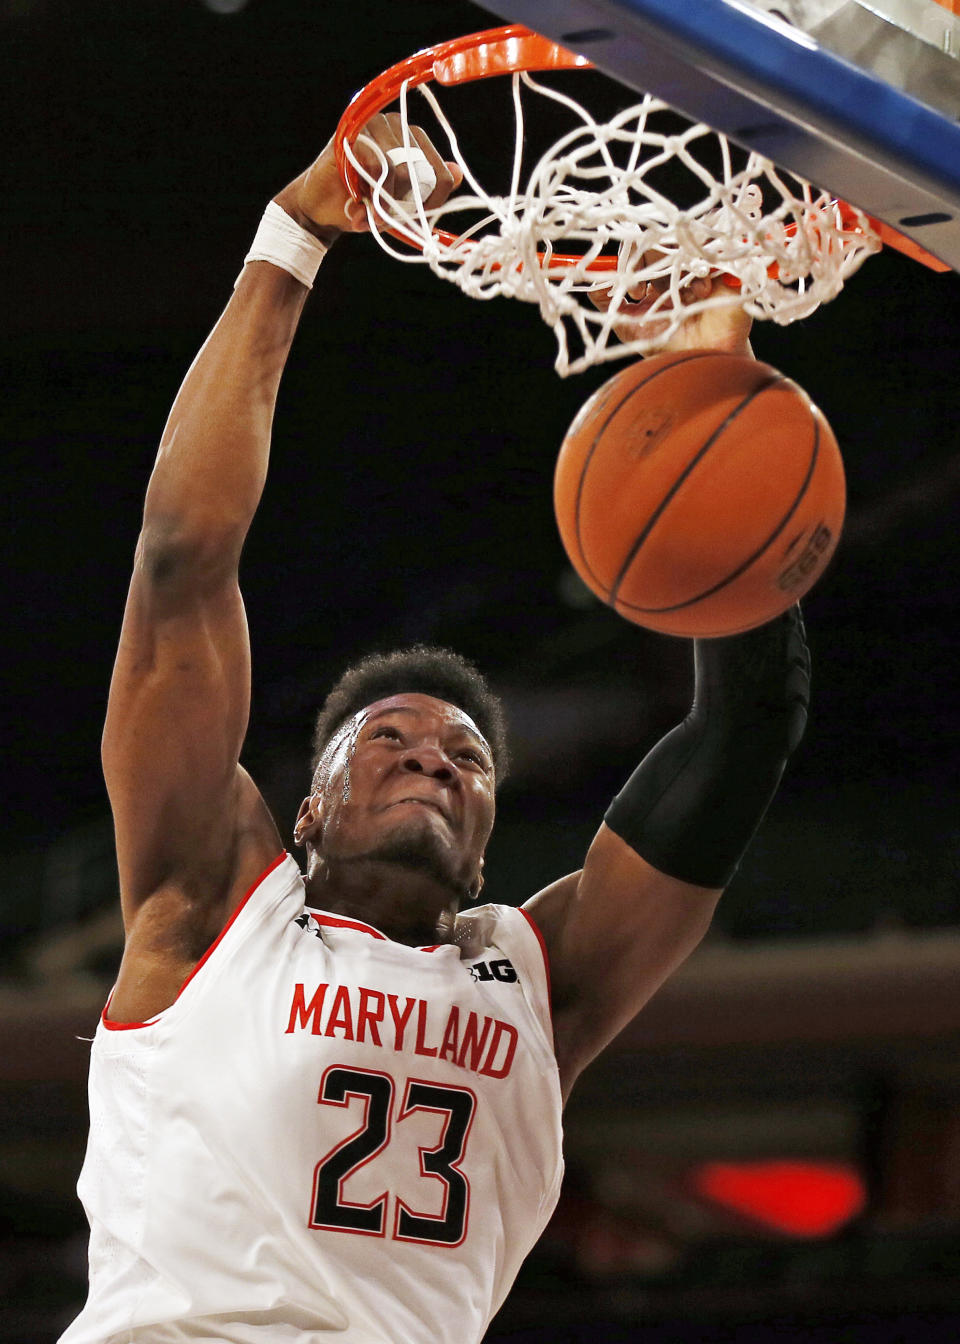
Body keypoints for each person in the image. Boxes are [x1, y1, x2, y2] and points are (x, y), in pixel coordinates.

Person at [60, 116, 810, 1344]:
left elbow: (742, 738)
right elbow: (183, 560)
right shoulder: (213, 908)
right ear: (306, 812)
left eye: (467, 759)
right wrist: (294, 237)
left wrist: (714, 415)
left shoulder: (538, 979)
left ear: (488, 837)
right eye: (391, 741)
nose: (433, 759)